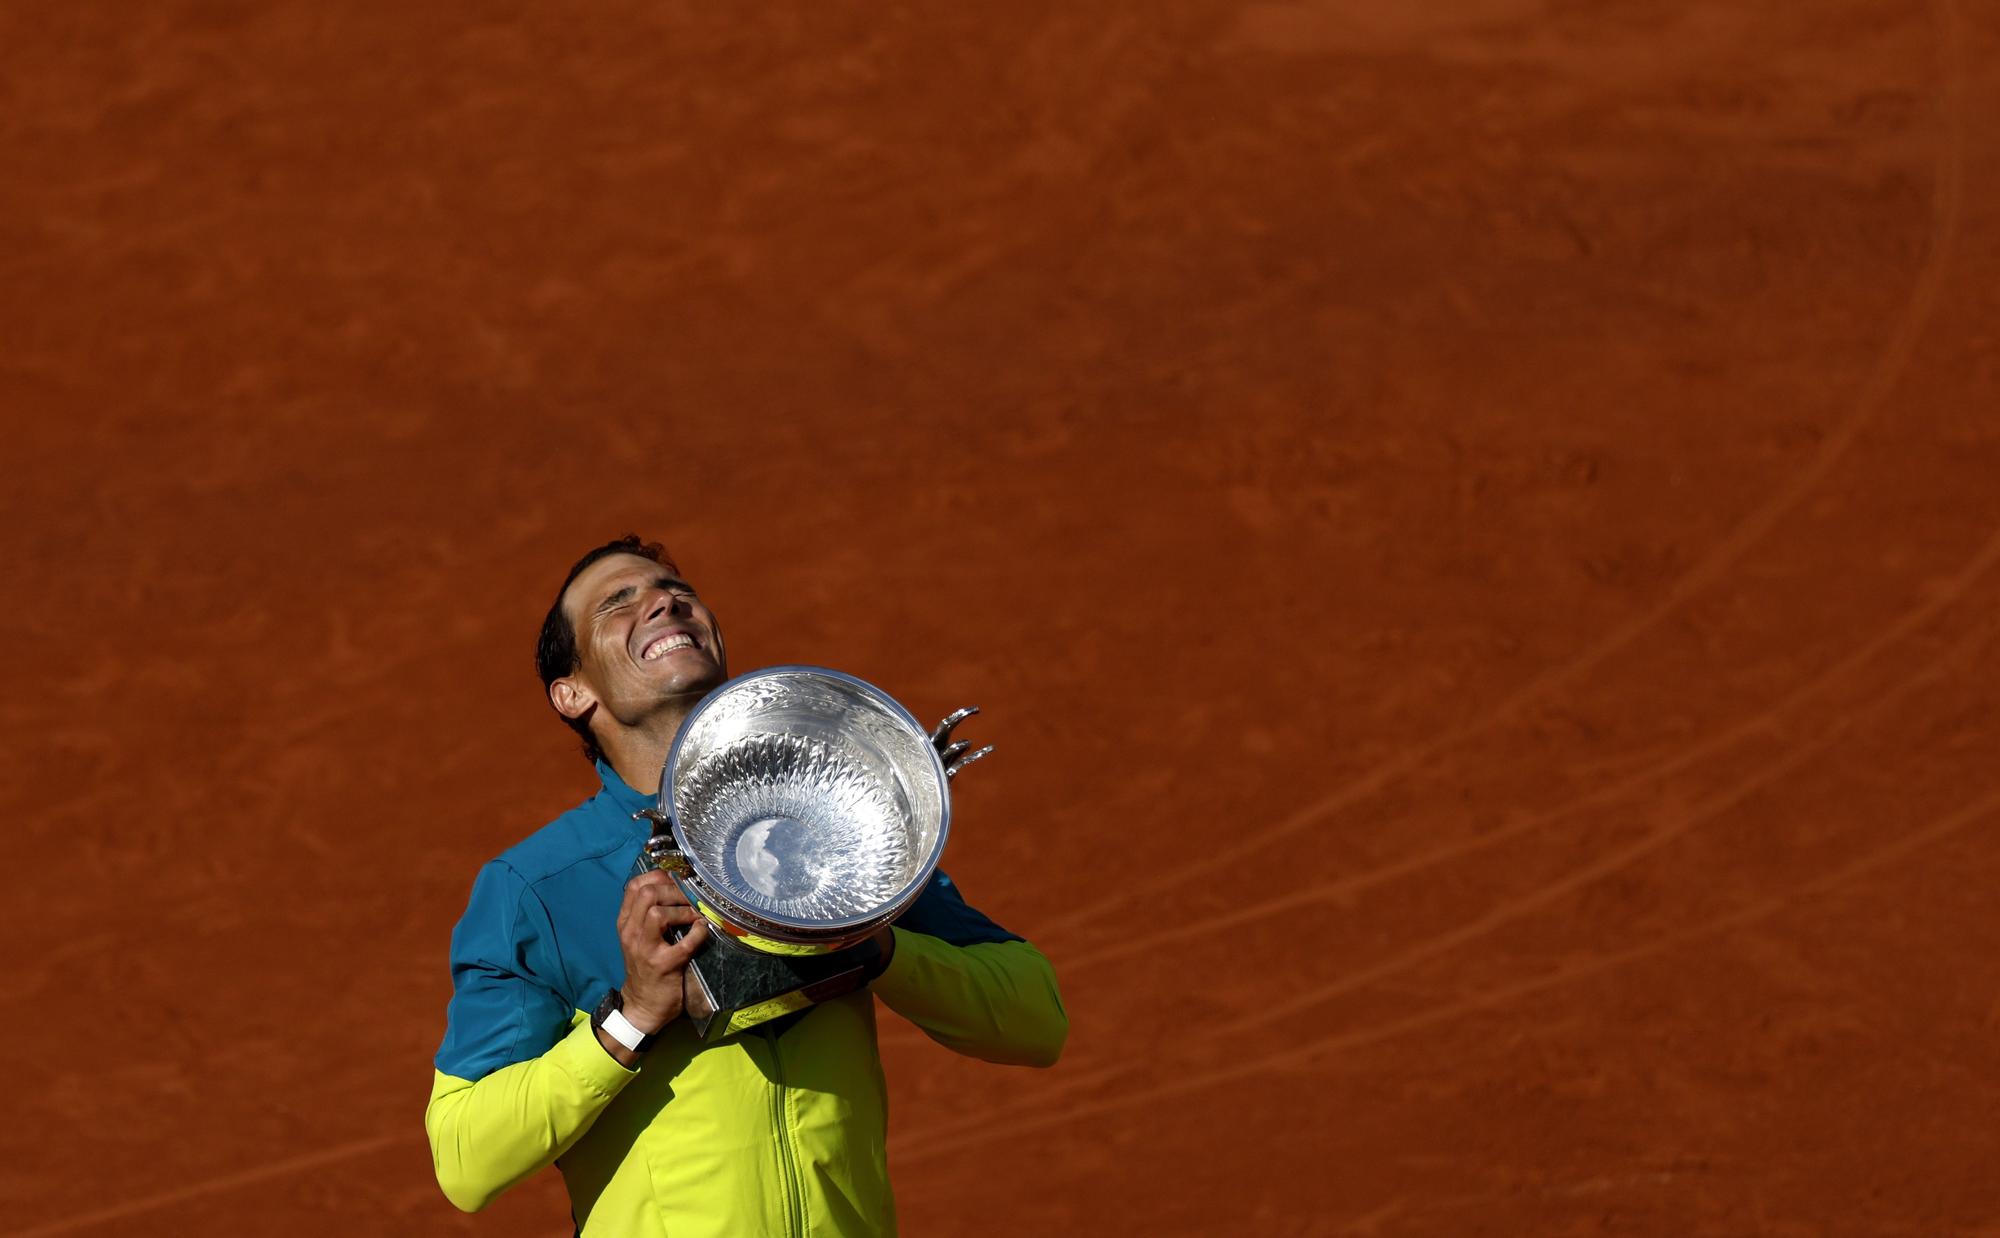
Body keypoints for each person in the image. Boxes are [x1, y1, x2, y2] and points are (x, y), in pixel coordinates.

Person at [425, 535, 1067, 1236]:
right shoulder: (538, 887)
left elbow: (1037, 1020)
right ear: (572, 692)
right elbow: (465, 1159)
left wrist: (875, 950)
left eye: (678, 589)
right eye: (618, 602)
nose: (665, 600)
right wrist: (632, 1018)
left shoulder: (830, 829)